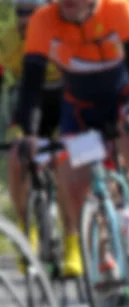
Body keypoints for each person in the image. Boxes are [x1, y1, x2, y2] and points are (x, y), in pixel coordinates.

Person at [13, 0, 129, 290]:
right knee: (74, 180)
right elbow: (31, 85)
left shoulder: (120, 10)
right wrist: (31, 133)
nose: (69, 3)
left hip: (127, 97)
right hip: (81, 108)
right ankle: (105, 256)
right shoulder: (43, 20)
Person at [2, 0, 65, 273]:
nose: (25, 19)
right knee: (17, 160)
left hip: (62, 100)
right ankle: (25, 231)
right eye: (21, 13)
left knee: (64, 159)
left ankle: (72, 231)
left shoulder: (59, 34)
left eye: (32, 13)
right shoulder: (7, 40)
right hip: (26, 103)